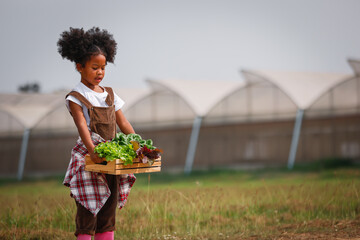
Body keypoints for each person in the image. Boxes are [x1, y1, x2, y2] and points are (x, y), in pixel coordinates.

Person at [58, 27, 136, 240]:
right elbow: (82, 125)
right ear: (79, 67)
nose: (100, 72)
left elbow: (123, 122)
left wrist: (138, 145)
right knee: (88, 210)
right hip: (89, 158)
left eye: (103, 68)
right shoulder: (75, 97)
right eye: (94, 67)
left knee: (108, 210)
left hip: (111, 159)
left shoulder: (110, 94)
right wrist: (93, 151)